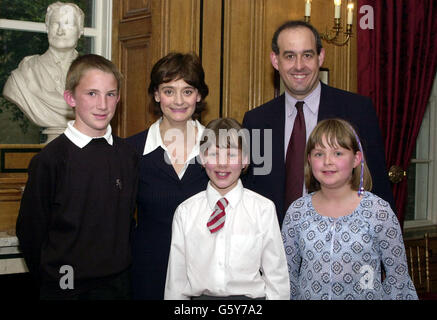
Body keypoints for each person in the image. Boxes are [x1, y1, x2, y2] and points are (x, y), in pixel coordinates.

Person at [242, 20, 394, 226]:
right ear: (275, 60)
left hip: (340, 246)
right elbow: (252, 191)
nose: (299, 66)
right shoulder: (257, 121)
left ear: (320, 57)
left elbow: (377, 186)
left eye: (307, 55)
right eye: (289, 56)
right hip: (272, 248)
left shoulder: (357, 111)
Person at [16, 54, 139, 299]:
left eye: (110, 94)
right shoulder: (51, 160)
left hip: (119, 285)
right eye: (91, 93)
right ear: (70, 98)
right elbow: (31, 231)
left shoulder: (128, 155)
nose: (103, 105)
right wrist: (56, 280)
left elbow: (126, 222)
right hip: (67, 287)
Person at [281, 118, 417, 300]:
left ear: (356, 159)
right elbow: (286, 275)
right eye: (319, 154)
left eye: (338, 153)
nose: (327, 161)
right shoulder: (297, 212)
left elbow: (398, 278)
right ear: (309, 160)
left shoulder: (378, 211)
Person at [164, 118, 290, 300]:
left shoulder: (263, 209)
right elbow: (176, 282)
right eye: (214, 154)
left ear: (245, 159)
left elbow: (277, 278)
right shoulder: (185, 212)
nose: (222, 164)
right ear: (202, 158)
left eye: (231, 155)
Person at [126, 52, 210, 300]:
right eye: (169, 90)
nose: (178, 100)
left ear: (199, 95)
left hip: (208, 275)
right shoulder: (131, 150)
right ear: (156, 94)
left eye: (187, 91)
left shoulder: (220, 147)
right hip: (149, 275)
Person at [3, 2, 84, 141]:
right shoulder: (26, 72)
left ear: (80, 31)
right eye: (55, 24)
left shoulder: (92, 73)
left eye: (67, 24)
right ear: (47, 28)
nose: (60, 31)